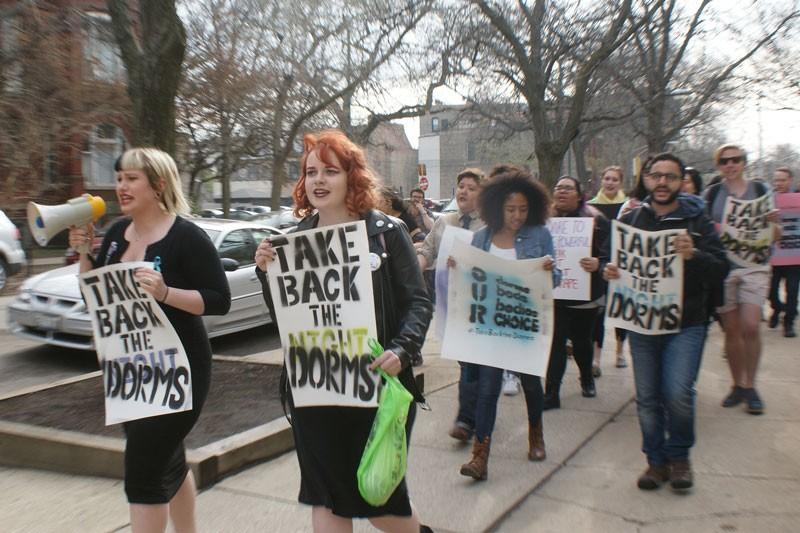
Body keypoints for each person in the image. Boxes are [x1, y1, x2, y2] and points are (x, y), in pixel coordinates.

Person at [254, 130, 432, 532]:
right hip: (315, 391)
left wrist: (402, 350)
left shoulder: (387, 233)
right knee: (326, 496)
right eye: (310, 172)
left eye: (330, 171)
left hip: (375, 388)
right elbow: (286, 322)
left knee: (380, 500)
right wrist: (268, 275)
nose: (318, 180)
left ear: (352, 177)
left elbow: (418, 303)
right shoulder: (293, 243)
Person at [69, 148, 232, 533]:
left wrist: (165, 293)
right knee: (168, 461)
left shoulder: (187, 237)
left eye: (131, 178)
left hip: (180, 370)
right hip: (130, 371)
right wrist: (83, 255)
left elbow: (219, 300)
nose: (121, 186)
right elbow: (97, 296)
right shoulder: (113, 235)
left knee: (143, 470)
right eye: (119, 178)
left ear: (157, 185)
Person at [603, 152, 728, 492]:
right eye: (655, 175)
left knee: (677, 393)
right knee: (647, 397)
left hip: (686, 323)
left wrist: (695, 255)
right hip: (643, 325)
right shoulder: (631, 220)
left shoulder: (696, 218)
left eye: (670, 177)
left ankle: (679, 457)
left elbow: (721, 268)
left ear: (679, 181)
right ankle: (655, 463)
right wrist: (610, 272)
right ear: (645, 180)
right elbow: (610, 264)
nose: (661, 182)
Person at [452, 169, 559, 480]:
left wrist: (551, 271)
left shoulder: (540, 236)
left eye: (523, 209)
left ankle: (535, 432)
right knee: (487, 390)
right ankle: (480, 456)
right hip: (490, 329)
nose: (517, 215)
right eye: (511, 209)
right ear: (497, 207)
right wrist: (457, 267)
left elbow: (558, 280)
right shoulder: (480, 238)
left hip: (524, 328)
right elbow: (471, 282)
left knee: (530, 385)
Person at [703, 144, 781, 415]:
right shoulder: (712, 194)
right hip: (725, 269)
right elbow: (704, 230)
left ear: (744, 163)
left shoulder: (762, 191)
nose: (730, 164)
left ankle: (751, 385)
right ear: (719, 166)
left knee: (750, 325)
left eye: (735, 160)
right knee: (732, 330)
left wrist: (774, 223)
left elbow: (776, 237)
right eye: (724, 161)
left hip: (754, 267)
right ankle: (737, 385)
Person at [417, 168, 485, 443]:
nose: (463, 191)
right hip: (451, 306)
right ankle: (478, 409)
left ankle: (466, 420)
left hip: (480, 306)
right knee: (467, 363)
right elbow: (427, 250)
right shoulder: (444, 222)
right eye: (460, 186)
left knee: (472, 364)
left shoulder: (491, 224)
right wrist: (416, 268)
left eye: (470, 187)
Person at [544, 176, 609, 410]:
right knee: (556, 343)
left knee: (582, 342)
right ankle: (551, 392)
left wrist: (598, 264)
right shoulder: (545, 222)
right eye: (558, 187)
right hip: (556, 294)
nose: (561, 192)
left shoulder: (596, 219)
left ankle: (587, 378)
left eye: (568, 188)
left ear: (579, 195)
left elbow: (610, 256)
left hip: (585, 295)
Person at [588, 165, 628, 376]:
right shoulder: (590, 207)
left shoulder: (628, 207)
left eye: (615, 179)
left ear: (620, 182)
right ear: (601, 180)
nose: (610, 182)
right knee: (599, 313)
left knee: (621, 310)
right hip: (600, 263)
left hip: (623, 264)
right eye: (607, 178)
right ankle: (596, 359)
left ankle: (620, 353)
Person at [768, 166, 799, 337]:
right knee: (771, 290)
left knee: (792, 290)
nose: (779, 183)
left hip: (794, 255)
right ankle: (777, 308)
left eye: (782, 179)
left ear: (790, 181)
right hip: (773, 255)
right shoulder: (768, 201)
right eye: (776, 180)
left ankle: (789, 322)